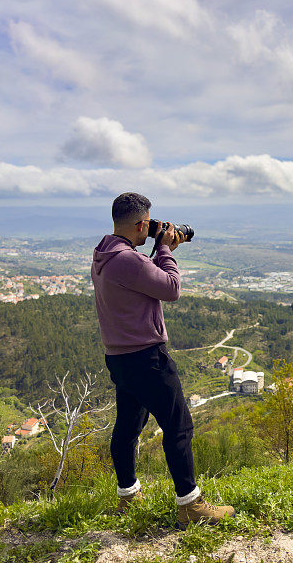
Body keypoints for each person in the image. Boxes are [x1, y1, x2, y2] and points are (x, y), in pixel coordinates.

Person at [91, 192, 234, 527]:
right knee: (179, 426)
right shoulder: (127, 260)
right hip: (147, 359)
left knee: (128, 426)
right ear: (141, 224)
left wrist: (158, 248)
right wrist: (166, 248)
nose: (150, 231)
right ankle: (191, 505)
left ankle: (128, 494)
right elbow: (170, 288)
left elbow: (142, 276)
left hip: (120, 357)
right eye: (148, 226)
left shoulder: (105, 254)